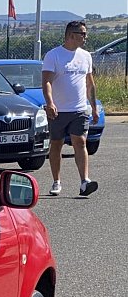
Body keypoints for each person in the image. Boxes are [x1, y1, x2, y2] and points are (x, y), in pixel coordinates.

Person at [41, 21, 100, 197]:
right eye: (83, 34)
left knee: (80, 142)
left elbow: (90, 84)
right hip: (58, 110)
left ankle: (84, 182)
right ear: (71, 35)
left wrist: (94, 107)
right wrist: (50, 103)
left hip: (79, 109)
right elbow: (47, 82)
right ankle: (56, 182)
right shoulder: (53, 55)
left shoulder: (86, 56)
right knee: (57, 144)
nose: (85, 37)